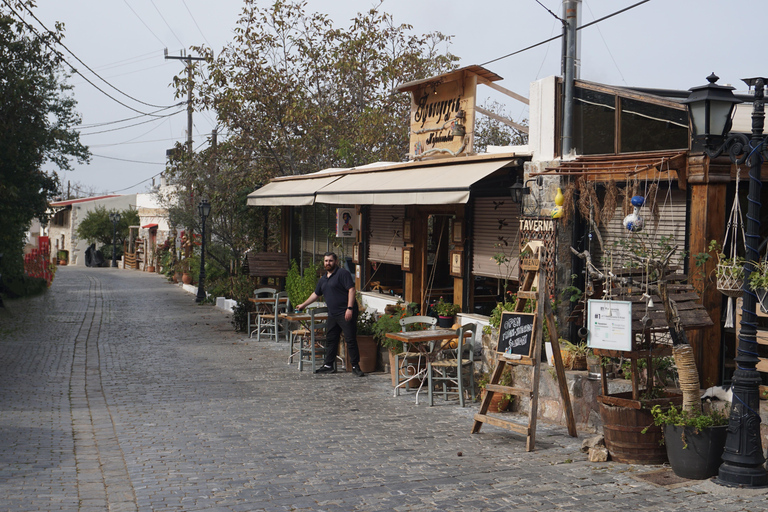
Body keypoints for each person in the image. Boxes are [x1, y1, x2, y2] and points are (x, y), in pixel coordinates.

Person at [296, 252, 364, 376]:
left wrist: (349, 308)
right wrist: (303, 305)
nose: (328, 263)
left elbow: (351, 290)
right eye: (326, 261)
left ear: (336, 261)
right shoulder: (323, 279)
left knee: (350, 339)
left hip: (345, 312)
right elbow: (316, 294)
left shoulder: (343, 274)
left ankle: (355, 366)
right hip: (333, 314)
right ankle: (328, 365)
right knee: (331, 339)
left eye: (330, 261)